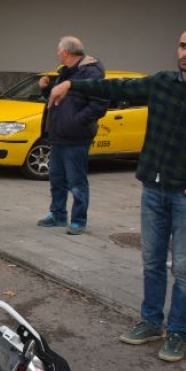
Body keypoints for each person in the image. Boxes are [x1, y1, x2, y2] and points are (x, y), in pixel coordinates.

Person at [49, 30, 186, 362]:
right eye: (183, 45)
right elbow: (113, 87)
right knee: (152, 261)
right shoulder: (162, 82)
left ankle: (179, 332)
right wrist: (72, 83)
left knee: (183, 269)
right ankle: (151, 322)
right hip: (153, 188)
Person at [36, 36, 107, 236]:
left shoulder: (91, 72)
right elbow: (59, 101)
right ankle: (58, 215)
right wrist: (45, 89)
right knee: (56, 179)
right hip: (59, 135)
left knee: (77, 181)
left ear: (66, 52)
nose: (57, 53)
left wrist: (76, 121)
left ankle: (78, 221)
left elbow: (100, 104)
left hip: (77, 137)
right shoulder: (65, 72)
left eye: (59, 50)